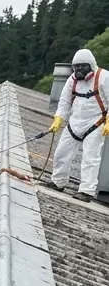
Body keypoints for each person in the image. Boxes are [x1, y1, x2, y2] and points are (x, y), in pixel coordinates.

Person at [46, 48, 109, 201]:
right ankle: (58, 181)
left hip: (96, 122)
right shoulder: (72, 80)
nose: (79, 69)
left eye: (83, 66)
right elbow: (65, 101)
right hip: (74, 122)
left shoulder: (104, 77)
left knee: (90, 157)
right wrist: (59, 118)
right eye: (76, 66)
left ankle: (86, 191)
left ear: (91, 65)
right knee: (61, 153)